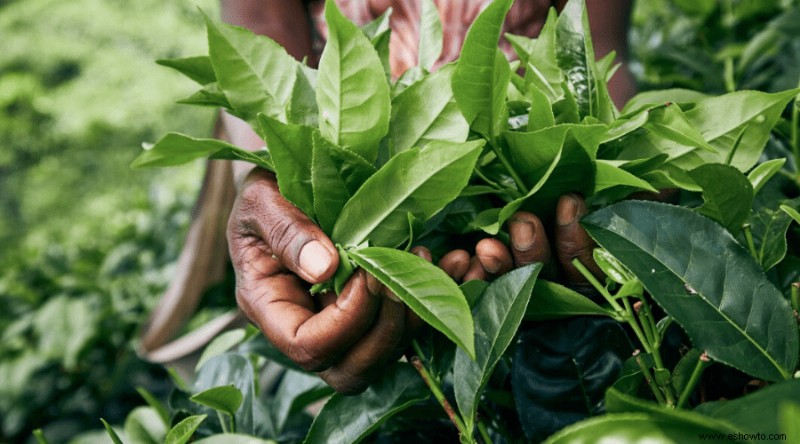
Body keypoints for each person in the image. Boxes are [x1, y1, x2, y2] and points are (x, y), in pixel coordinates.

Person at [220, 0, 636, 394]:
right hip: (370, 173)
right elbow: (264, 41)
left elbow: (590, 43)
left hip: (513, 162)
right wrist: (280, 187)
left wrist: (611, 183)